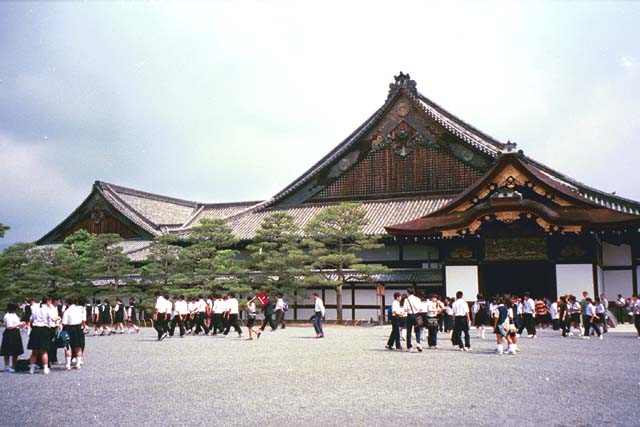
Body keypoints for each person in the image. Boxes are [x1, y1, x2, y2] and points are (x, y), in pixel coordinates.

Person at [27, 297, 53, 374]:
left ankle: (31, 369)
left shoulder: (35, 309)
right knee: (44, 351)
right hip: (44, 329)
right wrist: (58, 317)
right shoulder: (48, 309)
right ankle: (45, 368)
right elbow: (53, 319)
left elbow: (31, 320)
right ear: (48, 301)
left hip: (35, 329)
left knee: (34, 351)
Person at [61, 297, 85, 370]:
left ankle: (68, 365)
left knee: (67, 347)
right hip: (78, 328)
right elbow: (83, 320)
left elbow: (64, 323)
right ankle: (78, 364)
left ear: (67, 303)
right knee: (78, 346)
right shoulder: (80, 310)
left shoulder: (67, 311)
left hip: (67, 329)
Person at [1, 303, 26, 372]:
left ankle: (14, 365)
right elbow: (9, 326)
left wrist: (21, 324)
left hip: (16, 332)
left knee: (15, 350)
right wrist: (19, 324)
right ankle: (7, 366)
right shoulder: (7, 315)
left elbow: (16, 323)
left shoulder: (14, 315)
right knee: (7, 351)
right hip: (9, 333)